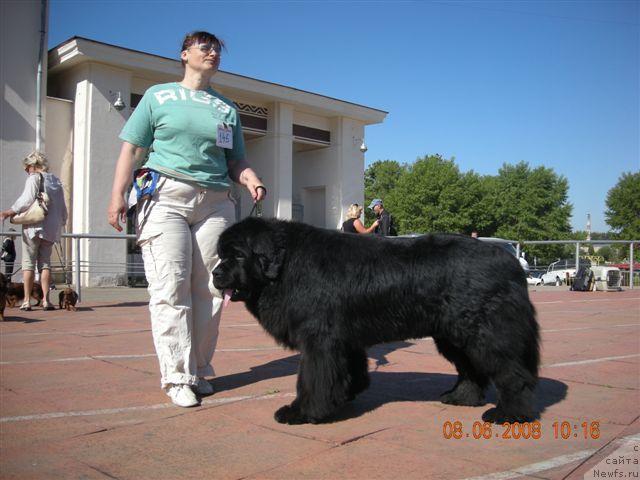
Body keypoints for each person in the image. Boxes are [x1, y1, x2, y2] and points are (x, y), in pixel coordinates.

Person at [107, 31, 266, 408]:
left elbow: (235, 160)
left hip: (216, 202)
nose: (212, 52)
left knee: (212, 288)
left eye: (217, 49)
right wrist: (117, 195)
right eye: (204, 47)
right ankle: (176, 376)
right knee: (170, 285)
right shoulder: (158, 96)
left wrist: (250, 178)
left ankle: (197, 369)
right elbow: (131, 148)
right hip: (165, 197)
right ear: (184, 55)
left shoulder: (226, 108)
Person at [0, 151, 67, 310]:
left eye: (27, 167)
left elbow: (26, 200)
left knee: (28, 263)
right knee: (45, 264)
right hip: (50, 229)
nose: (26, 171)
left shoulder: (34, 178)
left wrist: (9, 212)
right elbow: (63, 209)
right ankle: (46, 300)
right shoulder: (56, 181)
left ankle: (26, 301)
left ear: (34, 166)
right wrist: (61, 223)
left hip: (33, 226)